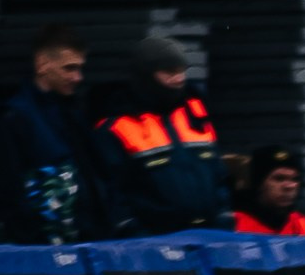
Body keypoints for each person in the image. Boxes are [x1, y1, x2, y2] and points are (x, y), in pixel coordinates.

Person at [0, 24, 115, 244]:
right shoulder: (16, 118)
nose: (78, 77)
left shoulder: (73, 115)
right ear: (43, 64)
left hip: (85, 244)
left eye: (80, 68)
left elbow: (98, 177)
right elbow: (6, 192)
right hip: (43, 251)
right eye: (69, 68)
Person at [91, 36, 227, 234]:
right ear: (147, 75)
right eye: (170, 73)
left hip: (210, 238)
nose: (179, 79)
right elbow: (111, 194)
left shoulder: (195, 112)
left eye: (182, 71)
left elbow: (218, 173)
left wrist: (224, 218)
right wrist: (133, 233)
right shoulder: (117, 127)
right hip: (155, 248)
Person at [232, 146, 305, 236]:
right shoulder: (235, 224)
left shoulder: (300, 224)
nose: (289, 186)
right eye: (279, 179)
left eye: (295, 179)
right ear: (259, 183)